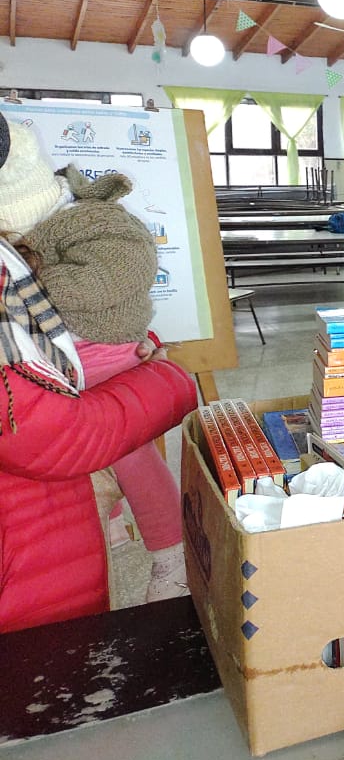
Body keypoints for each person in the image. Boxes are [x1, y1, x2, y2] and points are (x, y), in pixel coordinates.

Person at [0, 135, 196, 633]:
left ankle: (169, 545)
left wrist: (34, 284)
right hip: (74, 347)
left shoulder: (88, 220)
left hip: (98, 342)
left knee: (123, 446)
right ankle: (128, 528)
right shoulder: (42, 226)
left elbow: (110, 277)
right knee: (110, 446)